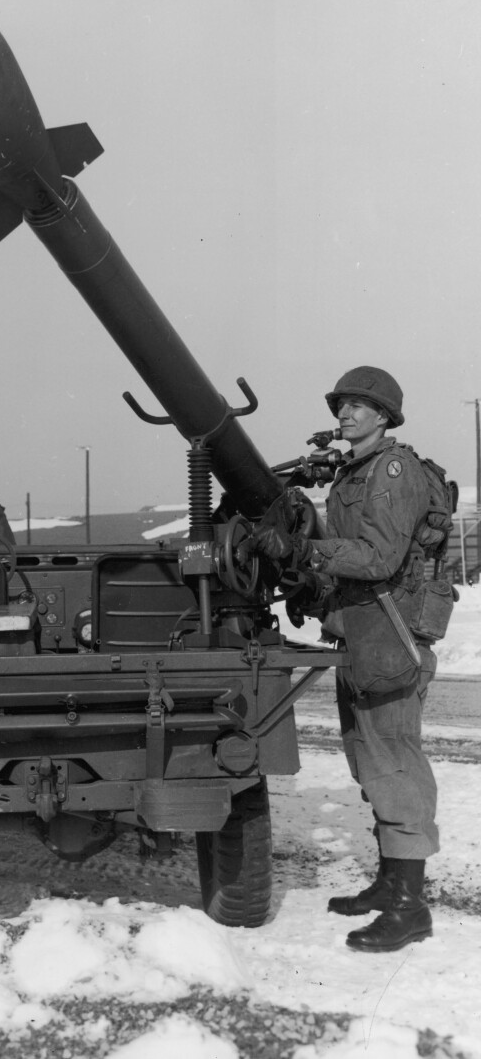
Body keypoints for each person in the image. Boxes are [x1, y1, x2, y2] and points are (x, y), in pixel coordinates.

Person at [252, 367, 441, 953]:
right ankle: (391, 885)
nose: (346, 413)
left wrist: (306, 550)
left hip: (389, 629)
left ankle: (412, 907)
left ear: (384, 416)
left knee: (394, 760)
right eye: (343, 404)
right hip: (361, 629)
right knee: (367, 759)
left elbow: (380, 557)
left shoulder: (391, 469)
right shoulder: (353, 473)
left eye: (360, 405)